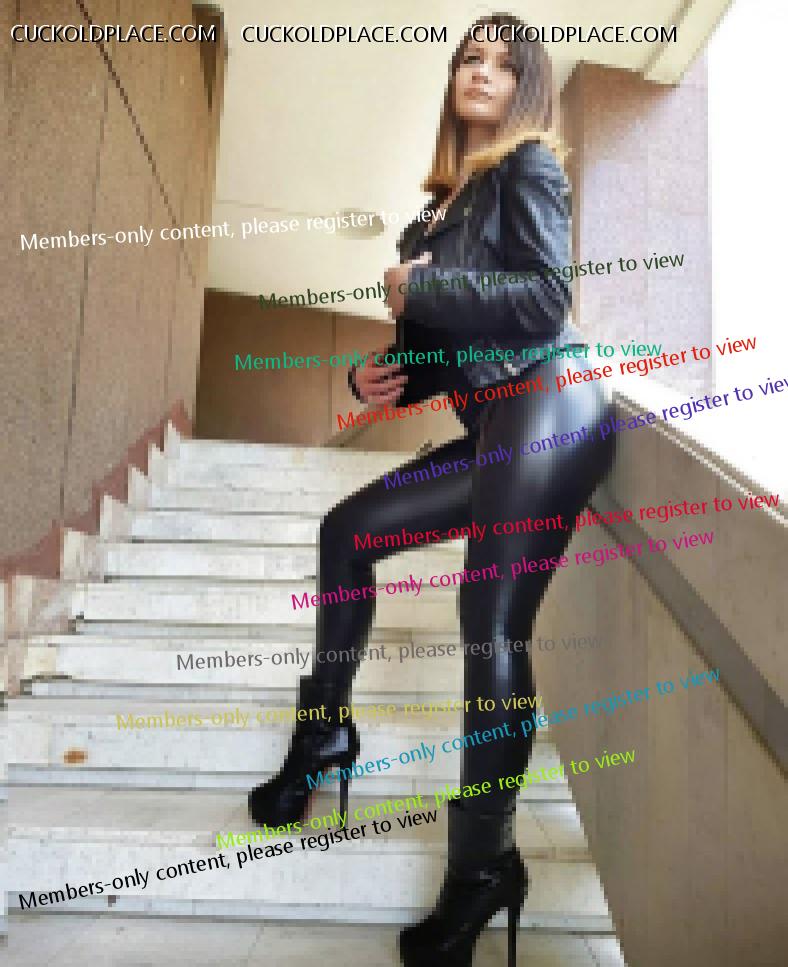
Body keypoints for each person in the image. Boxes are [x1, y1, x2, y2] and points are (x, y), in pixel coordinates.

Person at [249, 13, 615, 966]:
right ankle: (323, 736)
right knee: (348, 529)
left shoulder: (528, 168)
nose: (481, 72)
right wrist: (378, 377)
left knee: (488, 617)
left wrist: (420, 290)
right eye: (468, 59)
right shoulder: (430, 222)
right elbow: (434, 362)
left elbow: (546, 299)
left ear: (526, 87)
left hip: (550, 396)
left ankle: (482, 866)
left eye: (503, 63)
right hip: (493, 425)